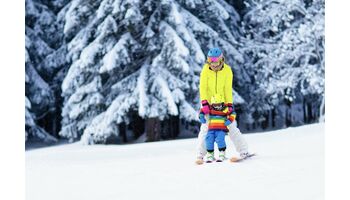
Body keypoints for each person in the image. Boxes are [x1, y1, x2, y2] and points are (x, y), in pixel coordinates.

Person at [195, 47, 251, 165]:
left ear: (221, 60)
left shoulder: (227, 70)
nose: (213, 64)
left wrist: (229, 105)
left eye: (215, 61)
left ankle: (243, 151)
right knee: (205, 128)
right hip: (208, 105)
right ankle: (200, 155)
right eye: (210, 61)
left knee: (231, 127)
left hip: (222, 104)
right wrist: (204, 102)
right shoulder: (205, 70)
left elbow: (227, 89)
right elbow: (203, 87)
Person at [199, 94, 236, 162]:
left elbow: (233, 113)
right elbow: (202, 110)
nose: (217, 107)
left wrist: (230, 120)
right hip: (211, 129)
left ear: (222, 103)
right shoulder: (210, 109)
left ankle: (222, 153)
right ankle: (210, 154)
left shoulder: (225, 109)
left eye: (219, 105)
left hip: (221, 129)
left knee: (220, 139)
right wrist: (201, 116)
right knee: (208, 140)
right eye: (215, 105)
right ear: (212, 104)